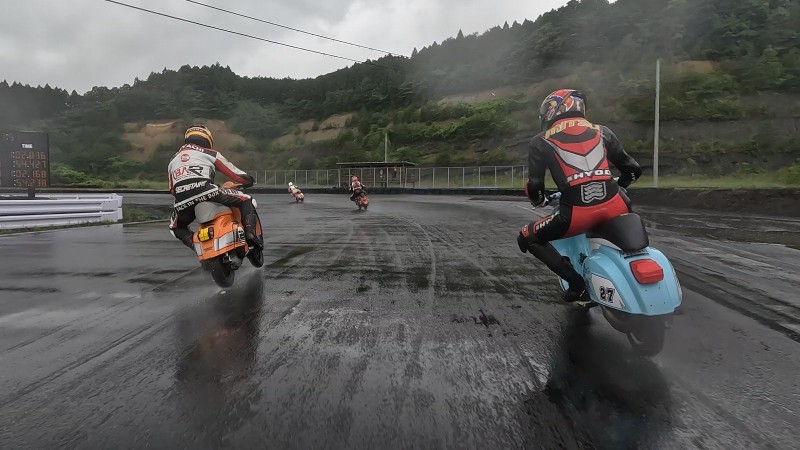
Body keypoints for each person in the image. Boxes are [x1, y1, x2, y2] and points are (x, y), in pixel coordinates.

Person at [516, 89, 642, 302]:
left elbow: (535, 185)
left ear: (553, 110)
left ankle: (577, 286)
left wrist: (539, 200)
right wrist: (620, 185)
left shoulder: (541, 140)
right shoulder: (603, 131)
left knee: (527, 237)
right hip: (617, 204)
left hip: (576, 214)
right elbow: (633, 170)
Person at [168, 125, 261, 251]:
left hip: (182, 201)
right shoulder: (209, 153)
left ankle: (196, 246)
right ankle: (250, 235)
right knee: (246, 200)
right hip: (207, 191)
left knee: (175, 227)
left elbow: (172, 189)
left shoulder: (173, 160)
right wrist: (249, 180)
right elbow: (234, 173)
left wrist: (186, 193)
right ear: (208, 139)